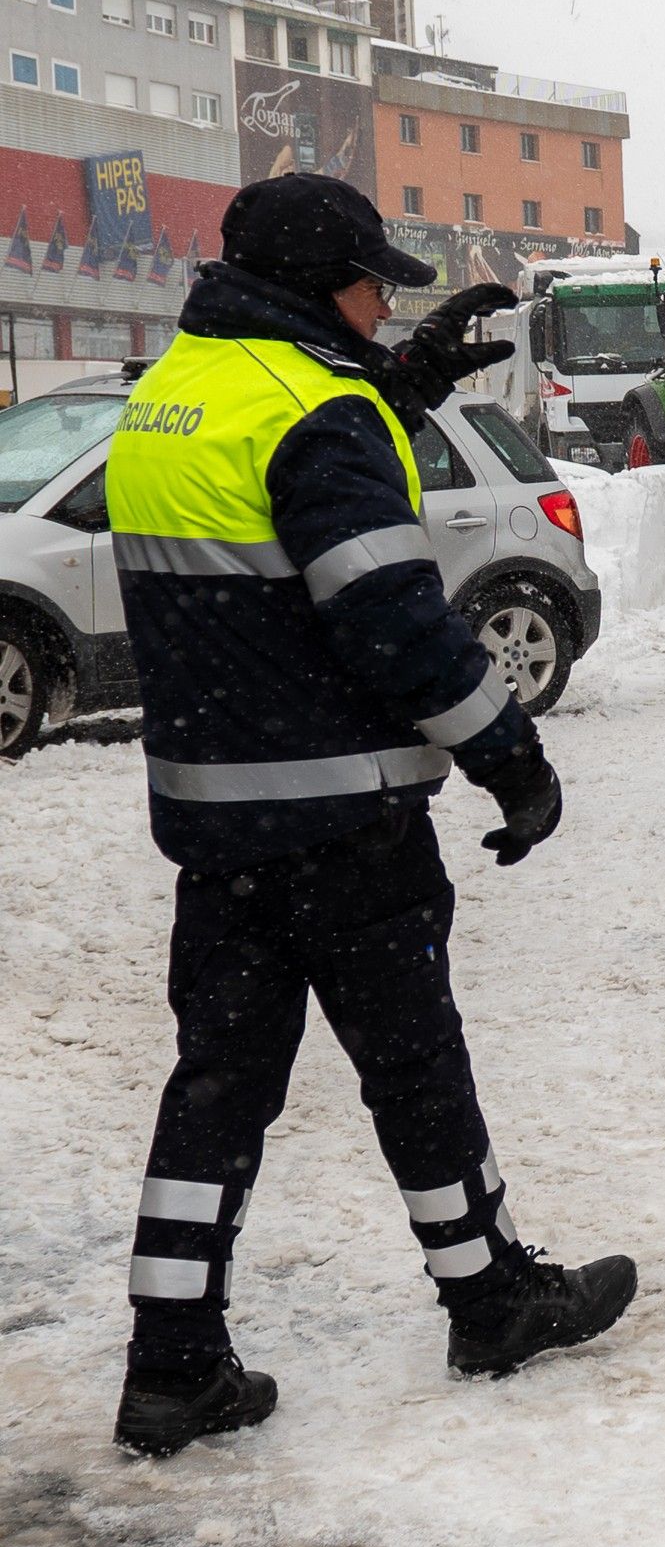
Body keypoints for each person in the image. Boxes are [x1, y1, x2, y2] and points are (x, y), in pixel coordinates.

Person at [106, 174, 632, 1458]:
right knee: (413, 1063)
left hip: (218, 828)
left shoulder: (170, 398)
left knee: (218, 1085)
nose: (383, 300)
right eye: (368, 283)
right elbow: (392, 620)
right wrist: (511, 755)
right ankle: (491, 1298)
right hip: (343, 819)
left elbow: (270, 509)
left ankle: (171, 1367)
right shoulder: (319, 415)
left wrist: (403, 381)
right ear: (308, 286)